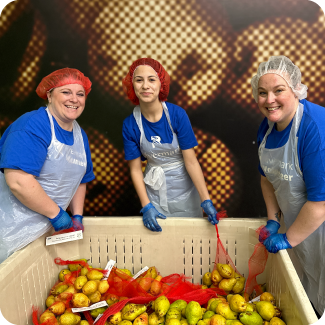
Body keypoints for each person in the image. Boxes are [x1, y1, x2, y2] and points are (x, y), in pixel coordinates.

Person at [252, 55, 325, 316]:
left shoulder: (314, 127)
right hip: (296, 228)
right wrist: (273, 220)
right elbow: (266, 177)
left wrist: (287, 238)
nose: (269, 100)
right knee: (307, 296)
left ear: (295, 89)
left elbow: (320, 204)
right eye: (262, 93)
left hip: (320, 225)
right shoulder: (268, 128)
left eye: (278, 90)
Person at [0, 68, 95, 264]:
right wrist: (58, 215)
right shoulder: (32, 125)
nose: (74, 99)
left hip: (44, 232)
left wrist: (77, 215)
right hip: (9, 229)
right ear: (49, 95)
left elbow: (80, 179)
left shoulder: (79, 134)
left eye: (80, 94)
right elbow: (18, 181)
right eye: (66, 92)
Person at [122, 58, 219, 232]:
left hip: (185, 189)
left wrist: (206, 200)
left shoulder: (177, 115)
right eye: (139, 80)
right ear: (132, 85)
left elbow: (191, 161)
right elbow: (135, 169)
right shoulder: (130, 124)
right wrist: (146, 206)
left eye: (152, 79)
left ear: (161, 84)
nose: (145, 86)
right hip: (154, 190)